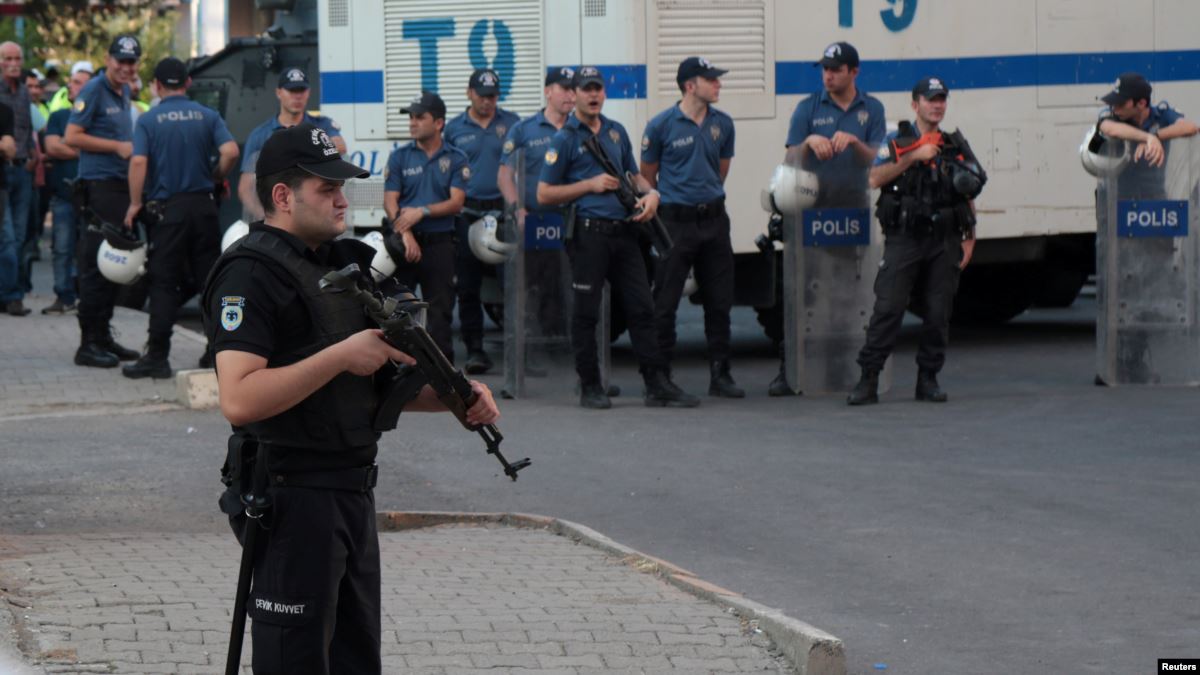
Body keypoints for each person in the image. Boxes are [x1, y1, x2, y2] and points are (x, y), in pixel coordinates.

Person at [202, 122, 499, 674]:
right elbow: (239, 399)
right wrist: (342, 355)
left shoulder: (349, 263)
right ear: (283, 197)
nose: (343, 200)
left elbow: (368, 380)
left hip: (351, 491)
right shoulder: (249, 274)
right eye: (327, 190)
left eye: (343, 188)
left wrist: (456, 399)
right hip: (290, 497)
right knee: (295, 662)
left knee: (357, 661)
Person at [538, 66, 699, 409]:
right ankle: (591, 386)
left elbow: (635, 177)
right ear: (575, 95)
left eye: (598, 89)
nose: (593, 95)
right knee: (586, 313)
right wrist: (589, 185)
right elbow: (544, 194)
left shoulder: (615, 132)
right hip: (588, 234)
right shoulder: (564, 139)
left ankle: (656, 383)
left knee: (642, 307)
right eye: (586, 90)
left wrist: (652, 194)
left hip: (625, 233)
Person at [847, 76, 983, 405]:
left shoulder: (953, 145)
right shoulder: (897, 141)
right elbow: (875, 177)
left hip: (944, 238)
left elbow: (967, 191)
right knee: (889, 307)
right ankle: (868, 379)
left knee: (939, 311)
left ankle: (928, 379)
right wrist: (914, 156)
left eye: (941, 99)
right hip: (905, 236)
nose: (937, 105)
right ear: (915, 104)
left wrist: (970, 234)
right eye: (930, 99)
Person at [766, 41, 887, 396]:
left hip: (855, 207)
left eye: (835, 69)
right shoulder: (808, 107)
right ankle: (789, 370)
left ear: (854, 72)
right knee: (803, 293)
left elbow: (880, 161)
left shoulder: (872, 109)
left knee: (851, 292)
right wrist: (808, 143)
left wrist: (855, 144)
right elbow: (789, 159)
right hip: (814, 208)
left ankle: (846, 366)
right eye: (825, 69)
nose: (828, 75)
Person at [121, 57, 239, 378]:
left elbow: (138, 163)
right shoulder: (207, 115)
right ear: (187, 83)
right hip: (203, 207)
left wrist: (134, 203)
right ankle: (219, 353)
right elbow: (230, 152)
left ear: (157, 86)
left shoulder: (148, 119)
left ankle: (157, 357)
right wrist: (216, 177)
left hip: (168, 211)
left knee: (163, 282)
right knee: (211, 283)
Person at [641, 56, 742, 398]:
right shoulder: (661, 125)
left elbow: (721, 170)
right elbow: (648, 174)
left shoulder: (723, 124)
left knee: (719, 300)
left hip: (713, 219)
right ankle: (660, 378)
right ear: (689, 85)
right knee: (665, 301)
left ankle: (720, 374)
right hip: (675, 221)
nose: (718, 84)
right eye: (710, 79)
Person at [63, 34, 143, 367]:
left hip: (119, 187)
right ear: (108, 59)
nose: (125, 67)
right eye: (120, 61)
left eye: (131, 62)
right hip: (99, 188)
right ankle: (88, 344)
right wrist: (116, 147)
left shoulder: (124, 91)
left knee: (115, 267)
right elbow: (72, 137)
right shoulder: (94, 90)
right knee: (97, 265)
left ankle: (103, 337)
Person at [444, 69, 521, 374]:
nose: (487, 101)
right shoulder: (453, 129)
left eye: (492, 96)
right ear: (469, 93)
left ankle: (518, 350)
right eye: (481, 95)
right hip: (468, 214)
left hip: (503, 213)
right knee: (468, 285)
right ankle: (475, 349)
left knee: (512, 284)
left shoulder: (512, 123)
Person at [384, 91, 468, 361]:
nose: (412, 122)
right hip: (402, 244)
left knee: (440, 314)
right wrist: (406, 232)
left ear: (439, 123)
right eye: (411, 116)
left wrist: (422, 211)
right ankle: (397, 376)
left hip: (440, 244)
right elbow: (390, 201)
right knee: (396, 311)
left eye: (420, 117)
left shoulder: (456, 158)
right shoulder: (399, 157)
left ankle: (444, 381)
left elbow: (456, 202)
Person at [497, 66, 577, 345]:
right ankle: (529, 349)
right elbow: (505, 174)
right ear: (547, 91)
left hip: (574, 220)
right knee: (531, 286)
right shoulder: (524, 129)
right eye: (564, 88)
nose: (571, 94)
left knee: (570, 286)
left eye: (573, 89)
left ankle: (568, 346)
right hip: (537, 221)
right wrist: (517, 208)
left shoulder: (581, 126)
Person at [238, 67, 345, 221]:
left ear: (308, 93)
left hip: (315, 215)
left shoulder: (323, 126)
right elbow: (245, 188)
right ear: (279, 92)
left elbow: (340, 147)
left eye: (301, 91)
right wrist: (265, 216)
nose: (297, 97)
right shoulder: (260, 135)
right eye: (292, 91)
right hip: (277, 212)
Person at [1094, 72, 1199, 199]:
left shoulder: (1162, 114)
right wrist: (1148, 138)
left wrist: (1156, 136)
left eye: (1120, 103)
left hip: (1154, 197)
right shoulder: (1112, 116)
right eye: (1113, 103)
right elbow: (1109, 128)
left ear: (1142, 103)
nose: (1115, 108)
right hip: (1116, 200)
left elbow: (1190, 127)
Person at [40, 65, 92, 315]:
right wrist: (87, 146)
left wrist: (67, 142)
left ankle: (87, 298)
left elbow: (61, 145)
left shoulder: (97, 116)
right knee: (61, 248)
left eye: (79, 82)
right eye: (72, 81)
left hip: (92, 196)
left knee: (88, 249)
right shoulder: (58, 116)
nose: (72, 86)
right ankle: (64, 296)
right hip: (63, 194)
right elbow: (51, 148)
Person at [0, 42, 35, 315]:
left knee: (22, 237)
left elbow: (27, 128)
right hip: (2, 171)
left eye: (17, 58)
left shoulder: (24, 92)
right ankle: (10, 295)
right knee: (8, 238)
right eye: (7, 58)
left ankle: (15, 293)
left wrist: (35, 157)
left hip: (23, 170)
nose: (13, 63)